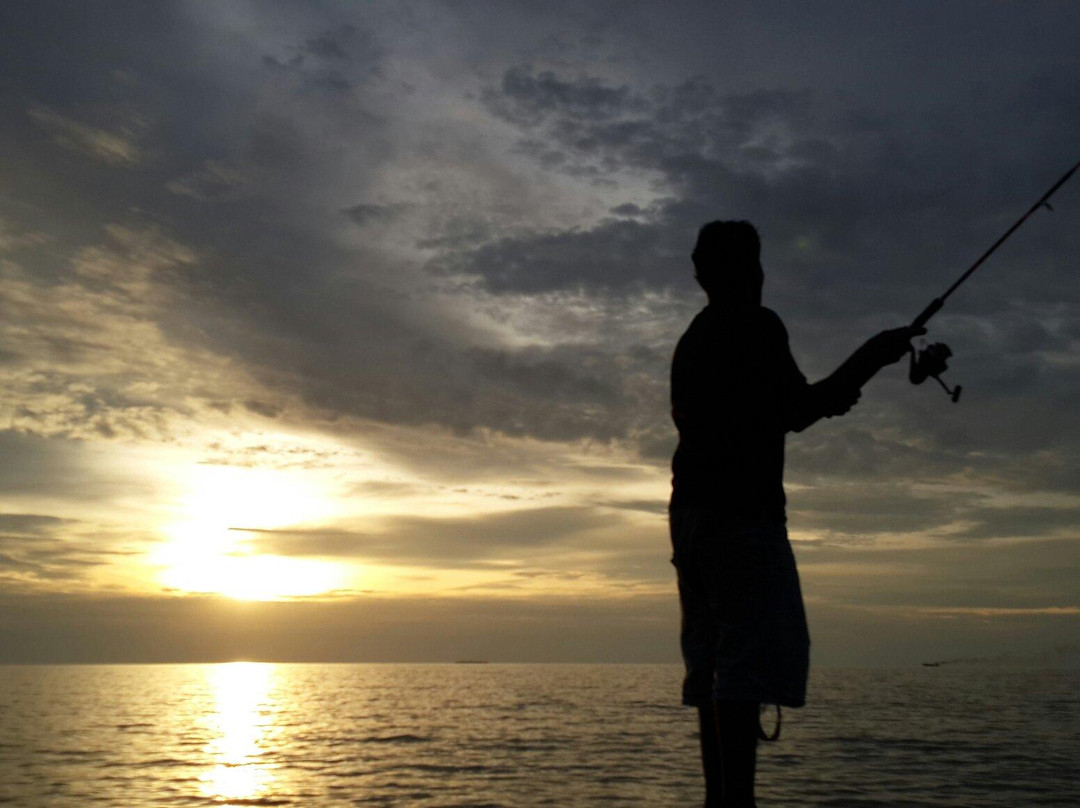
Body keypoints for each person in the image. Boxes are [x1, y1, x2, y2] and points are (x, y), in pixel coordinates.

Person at [669, 220, 922, 807]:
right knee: (742, 667)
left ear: (699, 273)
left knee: (713, 663)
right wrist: (872, 357)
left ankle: (719, 800)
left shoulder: (695, 336)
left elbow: (782, 409)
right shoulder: (757, 325)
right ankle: (738, 803)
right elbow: (801, 409)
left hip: (690, 518)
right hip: (742, 517)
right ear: (751, 269)